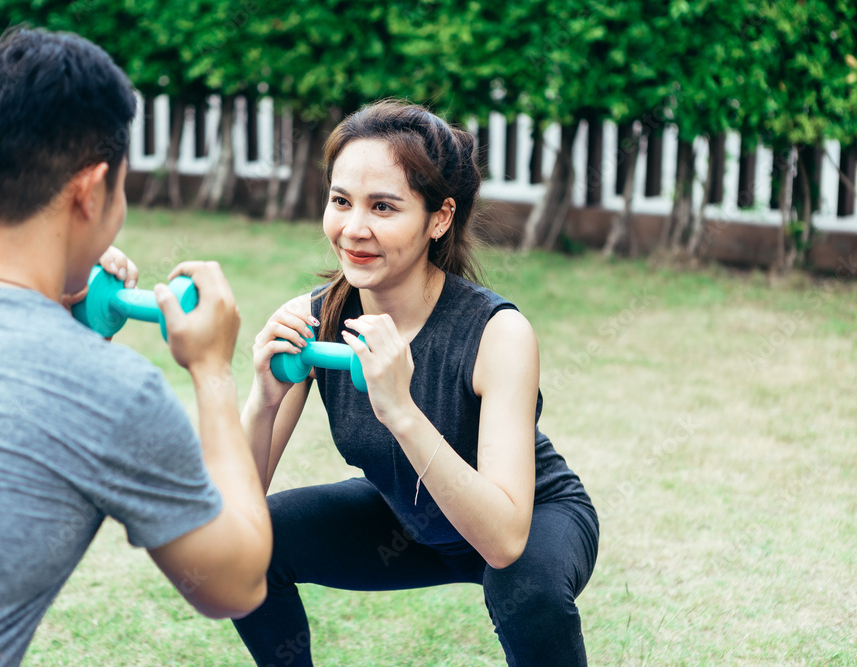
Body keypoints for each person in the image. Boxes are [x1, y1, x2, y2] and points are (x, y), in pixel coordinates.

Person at [0, 28, 271, 665]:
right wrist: (213, 370)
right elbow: (237, 584)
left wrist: (65, 330)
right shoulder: (114, 393)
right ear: (90, 188)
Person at [233, 100, 599, 666]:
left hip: (525, 519)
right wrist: (264, 397)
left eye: (384, 206)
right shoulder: (315, 322)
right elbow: (230, 519)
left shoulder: (498, 334)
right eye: (340, 201)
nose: (354, 229)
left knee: (522, 587)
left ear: (440, 217)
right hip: (409, 519)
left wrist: (400, 409)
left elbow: (503, 540)